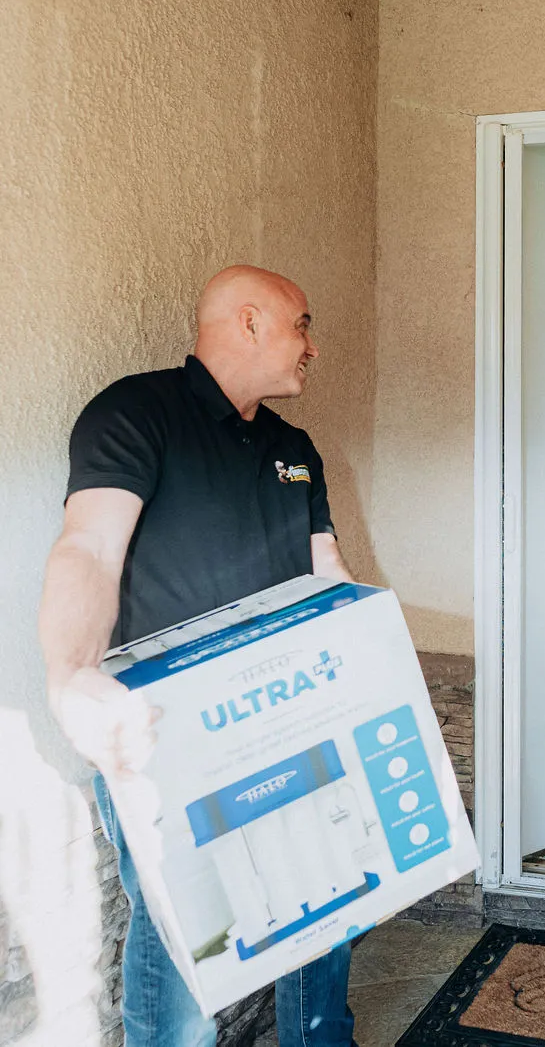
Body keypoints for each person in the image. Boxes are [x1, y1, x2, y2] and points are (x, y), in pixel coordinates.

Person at [38, 265, 360, 1047]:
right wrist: (70, 675)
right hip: (166, 731)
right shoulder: (135, 413)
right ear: (248, 322)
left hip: (292, 714)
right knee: (187, 928)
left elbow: (327, 576)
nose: (312, 347)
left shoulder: (293, 448)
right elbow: (87, 549)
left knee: (327, 891)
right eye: (302, 325)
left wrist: (374, 675)